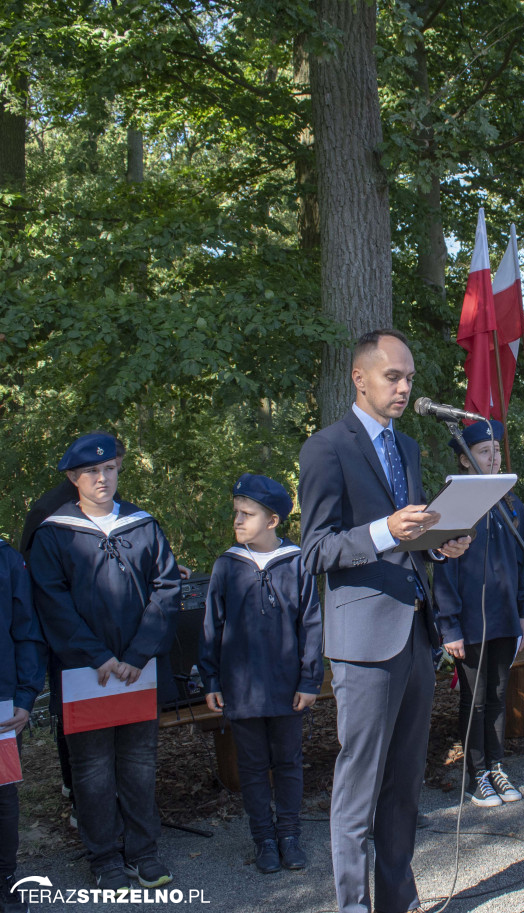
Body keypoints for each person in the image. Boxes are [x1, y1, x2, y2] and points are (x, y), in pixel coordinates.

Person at [298, 329, 470, 913]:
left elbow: (412, 538)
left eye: (409, 378)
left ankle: (397, 899)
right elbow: (315, 550)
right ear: (360, 377)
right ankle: (351, 905)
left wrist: (440, 542)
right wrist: (383, 532)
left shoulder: (411, 449)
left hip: (414, 631)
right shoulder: (327, 448)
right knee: (358, 789)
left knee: (404, 783)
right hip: (364, 640)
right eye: (392, 376)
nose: (403, 387)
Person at [29, 432, 181, 893]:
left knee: (138, 762)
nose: (102, 478)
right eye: (92, 471)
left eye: (109, 469)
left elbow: (167, 588)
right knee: (92, 769)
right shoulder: (54, 532)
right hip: (84, 673)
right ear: (74, 477)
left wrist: (136, 655)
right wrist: (98, 656)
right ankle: (104, 856)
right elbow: (50, 601)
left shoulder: (142, 525)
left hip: (138, 670)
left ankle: (143, 852)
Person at [200, 473, 323, 874]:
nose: (237, 521)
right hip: (242, 689)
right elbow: (211, 629)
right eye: (236, 512)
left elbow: (311, 624)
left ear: (272, 521)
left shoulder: (297, 563)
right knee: (252, 766)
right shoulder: (227, 567)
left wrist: (309, 680)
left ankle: (289, 835)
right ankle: (264, 839)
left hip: (288, 687)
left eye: (247, 514)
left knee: (287, 762)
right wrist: (212, 680)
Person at [433, 420, 524, 808]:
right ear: (464, 458)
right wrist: (450, 626)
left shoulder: (511, 503)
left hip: (506, 618)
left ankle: (497, 766)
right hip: (470, 623)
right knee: (473, 699)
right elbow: (444, 568)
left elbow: (523, 563)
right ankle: (477, 775)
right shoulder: (453, 504)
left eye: (496, 451)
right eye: (483, 452)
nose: (493, 459)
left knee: (496, 695)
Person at [1, 537, 46, 913]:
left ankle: (4, 877)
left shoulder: (7, 561)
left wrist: (25, 695)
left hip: (0, 702)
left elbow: (27, 630)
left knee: (1, 795)